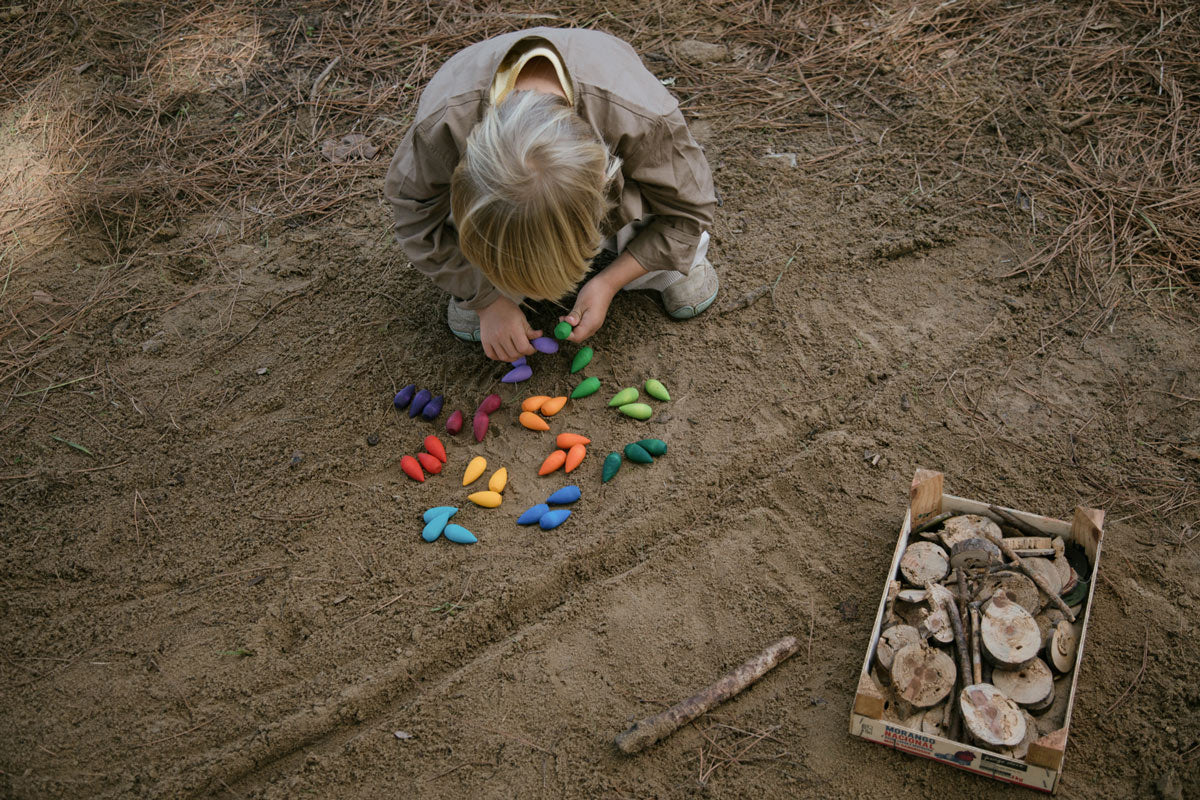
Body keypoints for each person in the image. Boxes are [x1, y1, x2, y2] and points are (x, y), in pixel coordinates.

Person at [384, 27, 718, 362]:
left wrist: (608, 282)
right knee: (455, 227)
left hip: (622, 162)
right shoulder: (440, 131)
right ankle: (487, 284)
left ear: (603, 178)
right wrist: (485, 299)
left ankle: (662, 268)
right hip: (487, 191)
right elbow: (414, 220)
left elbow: (690, 208)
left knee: (668, 208)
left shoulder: (642, 119)